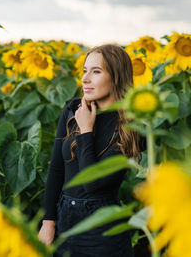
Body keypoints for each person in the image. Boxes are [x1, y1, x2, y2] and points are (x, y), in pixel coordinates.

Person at [38, 44, 146, 256]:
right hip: (64, 222)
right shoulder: (72, 110)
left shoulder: (131, 126)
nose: (85, 79)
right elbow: (56, 170)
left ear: (116, 77)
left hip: (103, 229)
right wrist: (48, 222)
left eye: (96, 72)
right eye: (85, 70)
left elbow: (92, 185)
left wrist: (86, 130)